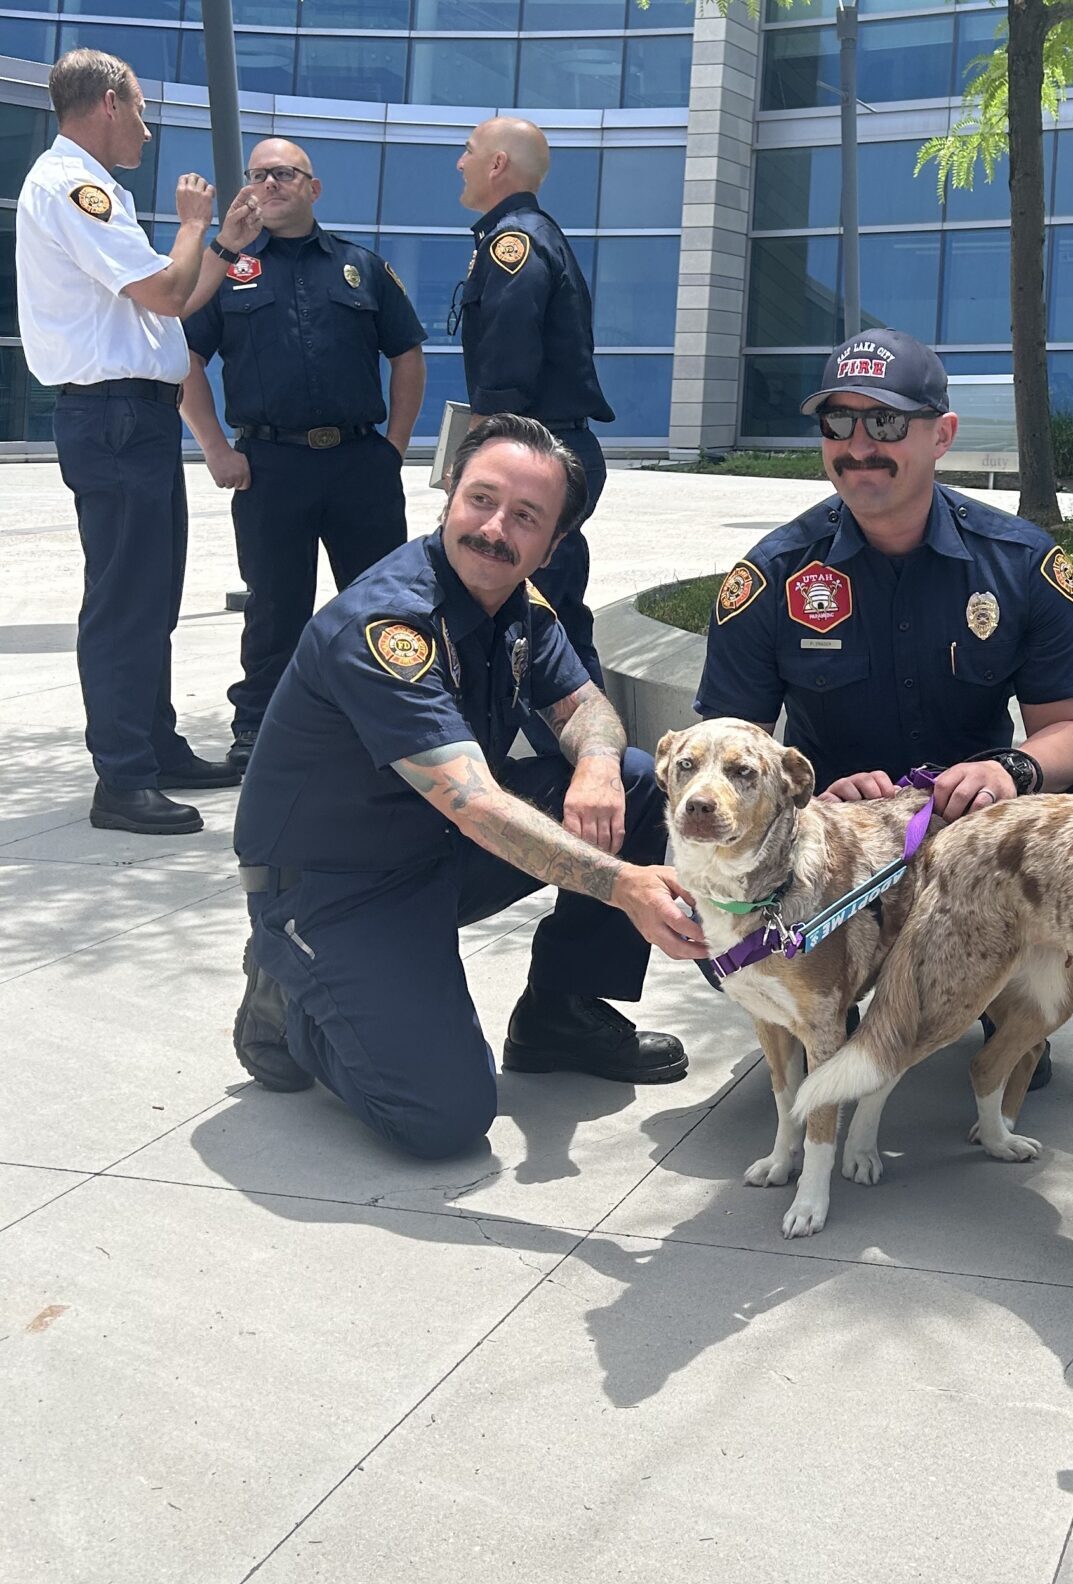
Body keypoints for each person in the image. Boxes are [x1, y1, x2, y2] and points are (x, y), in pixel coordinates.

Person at [230, 416, 707, 1160]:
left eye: (525, 517)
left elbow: (586, 706)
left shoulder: (519, 602)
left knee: (637, 782)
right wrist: (624, 887)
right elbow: (477, 805)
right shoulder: (389, 625)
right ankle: (292, 999)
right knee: (442, 1118)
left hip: (435, 853)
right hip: (336, 885)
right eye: (481, 500)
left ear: (552, 546)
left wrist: (599, 764)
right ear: (449, 493)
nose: (494, 529)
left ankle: (561, 1013)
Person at [695, 327, 1073, 1086]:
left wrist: (1011, 770)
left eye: (887, 422)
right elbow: (731, 752)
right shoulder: (770, 577)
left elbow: (1072, 731)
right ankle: (833, 994)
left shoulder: (1022, 564)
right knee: (689, 840)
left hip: (970, 842)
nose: (860, 444)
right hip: (832, 859)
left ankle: (1010, 986)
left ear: (942, 436)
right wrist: (814, 806)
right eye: (839, 422)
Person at [15, 48, 261, 833]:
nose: (150, 132)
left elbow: (174, 300)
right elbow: (164, 289)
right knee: (126, 602)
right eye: (144, 111)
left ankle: (152, 746)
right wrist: (193, 227)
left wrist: (217, 244)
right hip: (114, 416)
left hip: (136, 417)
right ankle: (121, 779)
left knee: (150, 596)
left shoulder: (98, 193)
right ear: (111, 102)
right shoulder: (74, 187)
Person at [180, 137, 428, 774]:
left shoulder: (360, 267)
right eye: (259, 174)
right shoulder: (228, 269)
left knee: (383, 604)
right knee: (274, 609)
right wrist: (214, 449)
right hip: (270, 467)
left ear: (313, 188)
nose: (271, 184)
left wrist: (392, 448)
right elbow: (183, 358)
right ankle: (258, 734)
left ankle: (397, 727)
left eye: (285, 173)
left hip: (357, 465)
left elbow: (406, 355)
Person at [452, 116, 611, 719]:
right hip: (552, 452)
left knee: (537, 619)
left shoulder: (512, 243)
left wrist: (477, 463)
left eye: (468, 152)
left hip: (537, 456)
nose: (459, 163)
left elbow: (506, 362)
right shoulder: (526, 235)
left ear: (497, 165)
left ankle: (599, 778)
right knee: (552, 613)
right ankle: (602, 773)